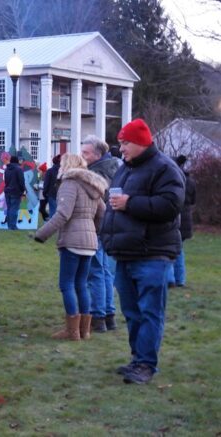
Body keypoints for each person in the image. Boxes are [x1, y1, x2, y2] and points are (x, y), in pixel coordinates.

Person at [101, 118, 185, 385]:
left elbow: (171, 205)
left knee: (150, 311)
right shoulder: (125, 169)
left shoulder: (165, 169)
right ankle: (138, 359)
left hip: (152, 253)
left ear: (140, 143)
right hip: (125, 252)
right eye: (121, 143)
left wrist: (131, 203)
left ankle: (146, 365)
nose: (121, 148)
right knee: (132, 311)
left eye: (125, 143)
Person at [34, 154, 107, 341]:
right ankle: (85, 331)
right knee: (81, 284)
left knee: (66, 284)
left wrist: (42, 234)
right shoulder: (94, 186)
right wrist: (94, 231)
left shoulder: (69, 184)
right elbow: (102, 213)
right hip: (90, 242)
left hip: (73, 242)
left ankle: (72, 331)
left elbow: (62, 215)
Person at [81, 135, 121, 333]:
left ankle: (98, 316)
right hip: (108, 226)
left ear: (97, 154)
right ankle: (109, 315)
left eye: (86, 153)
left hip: (96, 226)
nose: (83, 156)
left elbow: (94, 200)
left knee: (95, 272)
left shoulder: (98, 174)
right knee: (104, 271)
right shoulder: (114, 168)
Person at [166, 155, 196, 287]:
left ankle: (170, 278)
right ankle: (180, 279)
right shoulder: (190, 181)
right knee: (179, 249)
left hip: (174, 216)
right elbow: (194, 200)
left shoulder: (170, 179)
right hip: (186, 218)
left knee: (168, 248)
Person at [4, 155, 26, 230]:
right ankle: (13, 226)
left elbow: (6, 181)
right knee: (14, 209)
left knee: (9, 209)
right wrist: (23, 191)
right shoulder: (18, 169)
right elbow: (21, 182)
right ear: (17, 161)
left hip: (7, 191)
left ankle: (9, 225)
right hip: (16, 192)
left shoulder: (7, 169)